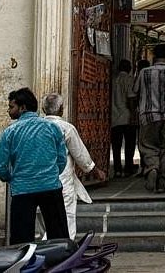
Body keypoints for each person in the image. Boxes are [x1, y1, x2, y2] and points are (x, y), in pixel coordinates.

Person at [0, 87, 68, 243]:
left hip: (22, 190)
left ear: (22, 107)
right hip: (51, 187)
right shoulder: (52, 127)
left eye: (11, 107)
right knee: (59, 237)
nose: (8, 111)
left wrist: (9, 178)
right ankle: (61, 265)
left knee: (21, 241)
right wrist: (51, 174)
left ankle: (25, 266)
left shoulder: (10, 132)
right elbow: (61, 159)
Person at [41, 92, 104, 238]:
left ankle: (46, 247)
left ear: (44, 110)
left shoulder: (38, 128)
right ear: (61, 109)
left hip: (40, 179)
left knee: (46, 216)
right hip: (62, 179)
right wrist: (95, 171)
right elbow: (80, 154)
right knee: (66, 214)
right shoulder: (66, 128)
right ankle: (64, 250)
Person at [134, 44, 165, 193]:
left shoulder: (144, 72)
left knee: (147, 145)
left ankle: (152, 168)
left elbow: (135, 91)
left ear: (153, 57)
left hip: (148, 116)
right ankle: (161, 180)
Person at [110, 59, 138, 178]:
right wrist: (133, 114)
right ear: (130, 68)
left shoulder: (112, 80)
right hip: (126, 115)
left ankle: (117, 169)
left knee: (116, 145)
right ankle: (128, 168)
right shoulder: (129, 80)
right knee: (129, 144)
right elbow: (131, 98)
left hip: (114, 116)